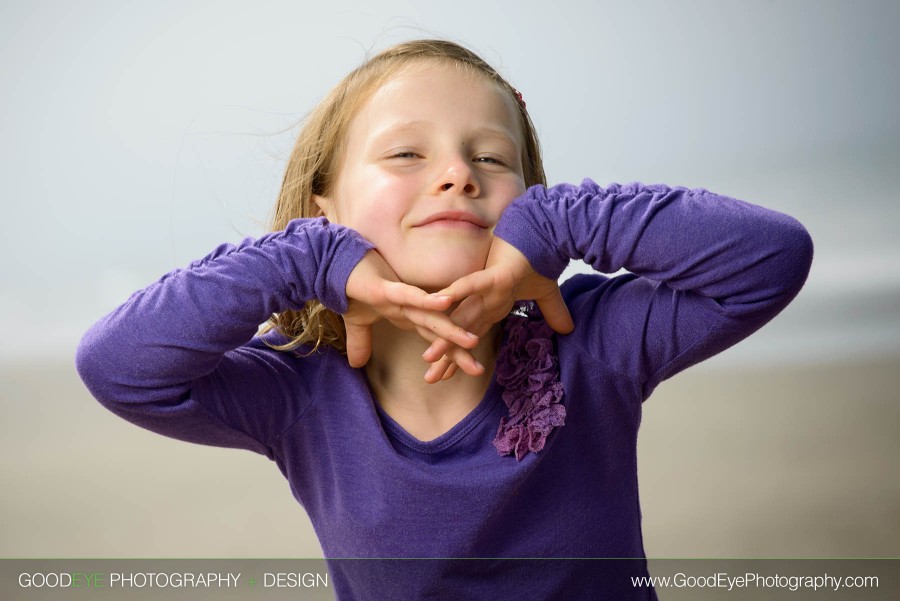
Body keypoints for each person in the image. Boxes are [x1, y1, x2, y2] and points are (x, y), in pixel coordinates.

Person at [76, 39, 814, 600]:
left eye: (493, 157)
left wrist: (562, 219)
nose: (459, 173)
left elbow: (770, 259)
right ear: (323, 204)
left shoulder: (590, 343)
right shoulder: (299, 392)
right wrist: (303, 259)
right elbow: (117, 367)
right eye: (405, 152)